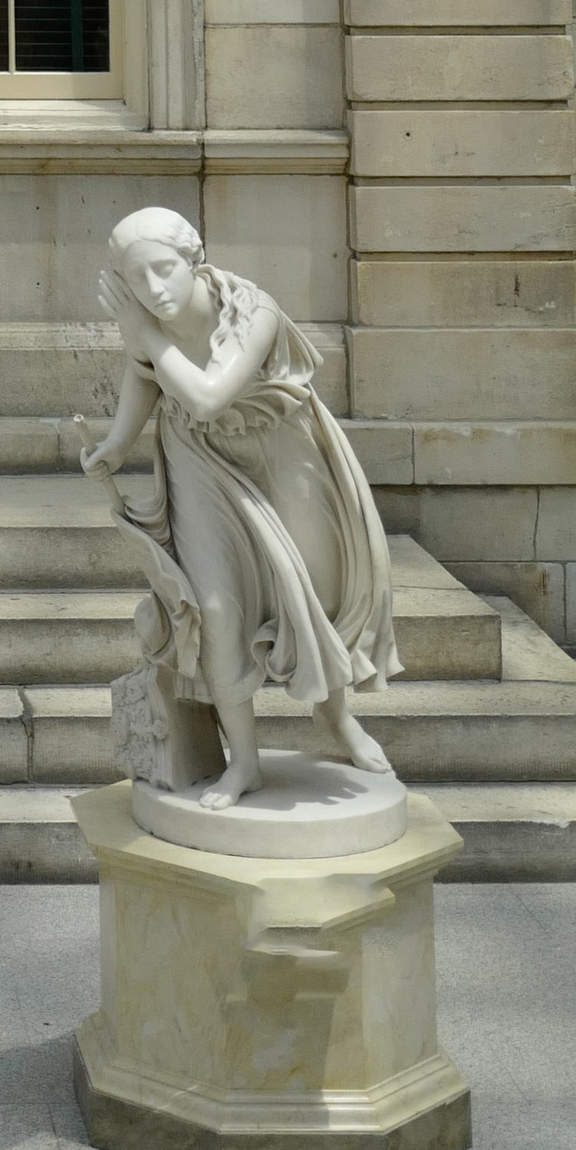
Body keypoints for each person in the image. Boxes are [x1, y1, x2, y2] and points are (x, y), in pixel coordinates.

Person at [73, 208, 398, 809]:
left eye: (165, 271)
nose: (154, 291)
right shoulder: (145, 320)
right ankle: (243, 760)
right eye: (137, 279)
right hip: (198, 456)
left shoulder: (255, 313)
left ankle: (337, 718)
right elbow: (145, 374)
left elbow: (207, 395)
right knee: (216, 608)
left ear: (192, 259)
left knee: (316, 596)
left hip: (281, 447)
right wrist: (118, 443)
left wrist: (143, 334)